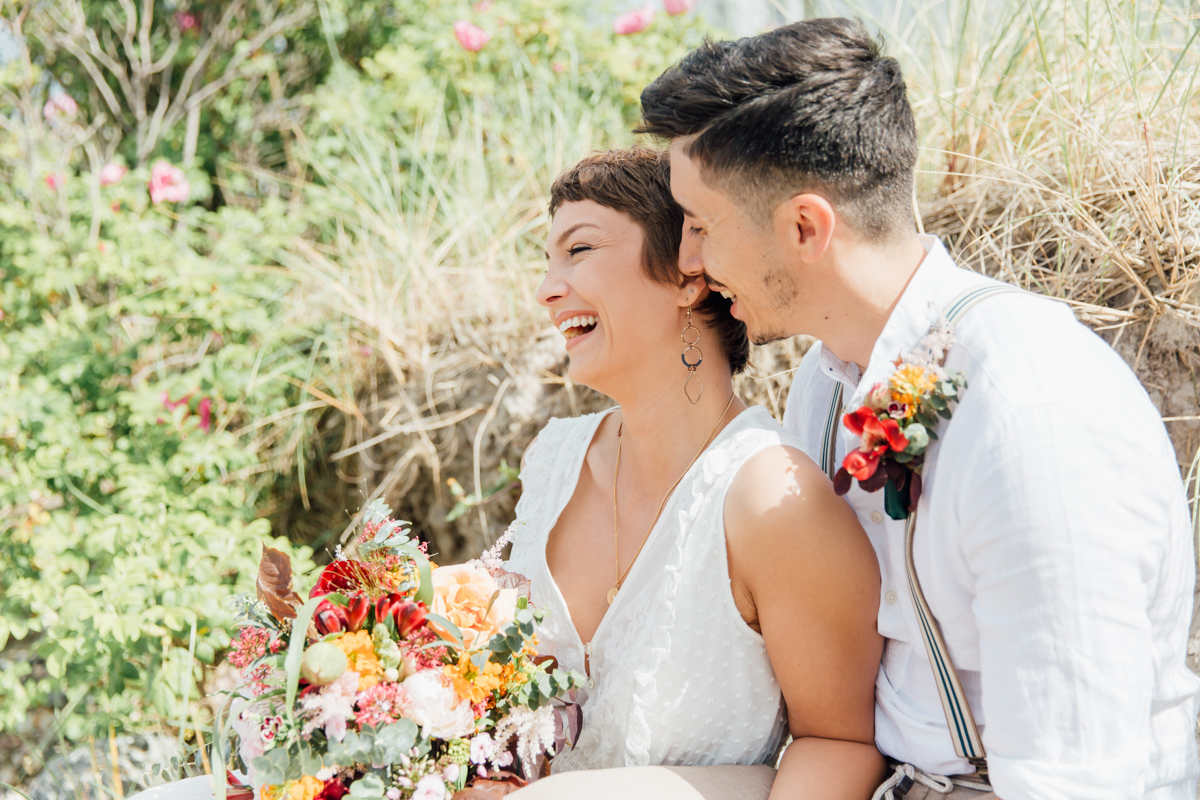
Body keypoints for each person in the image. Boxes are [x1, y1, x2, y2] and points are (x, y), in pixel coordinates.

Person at [638, 16, 1200, 800]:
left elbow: (1078, 776)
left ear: (805, 226)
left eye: (698, 227)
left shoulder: (1030, 408)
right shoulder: (823, 387)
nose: (690, 265)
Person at [502, 147, 885, 799]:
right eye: (547, 263)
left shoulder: (767, 496)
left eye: (580, 250)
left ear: (689, 275)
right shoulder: (555, 459)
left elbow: (840, 743)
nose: (546, 290)